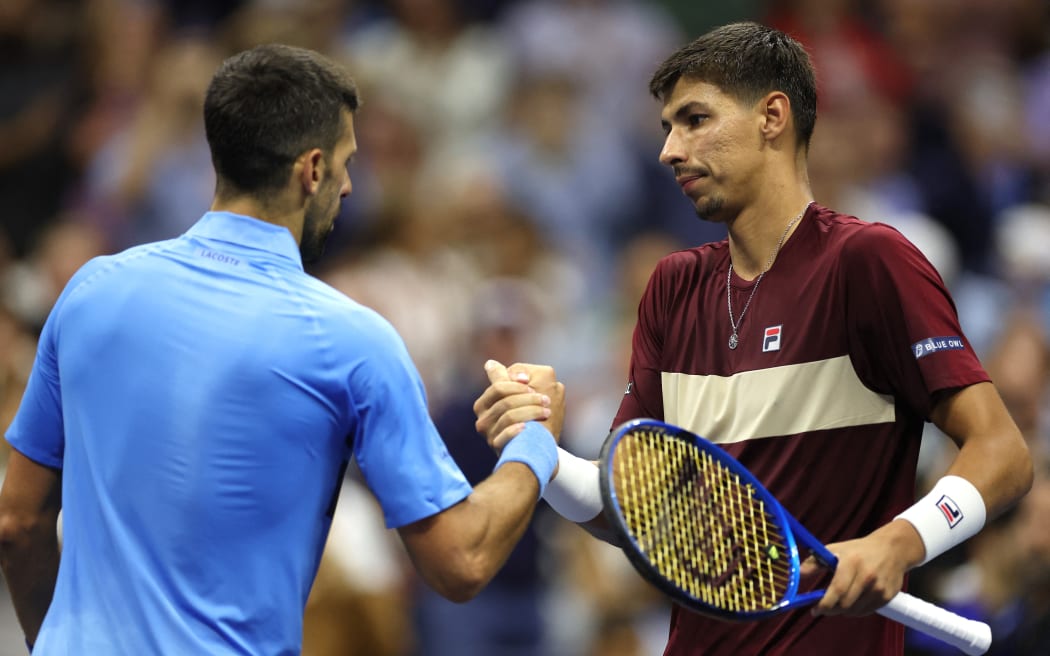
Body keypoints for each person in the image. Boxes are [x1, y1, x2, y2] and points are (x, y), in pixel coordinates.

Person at [473, 22, 1034, 656]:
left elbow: (1003, 454)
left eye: (694, 120)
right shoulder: (672, 287)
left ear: (773, 116)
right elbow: (630, 511)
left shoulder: (868, 263)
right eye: (667, 129)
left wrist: (900, 541)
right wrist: (543, 453)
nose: (670, 151)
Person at [0, 43, 559, 655]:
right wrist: (535, 436)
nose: (349, 187)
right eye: (347, 163)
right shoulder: (353, 341)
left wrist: (49, 639)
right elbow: (462, 559)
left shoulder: (88, 293)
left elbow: (18, 523)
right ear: (312, 169)